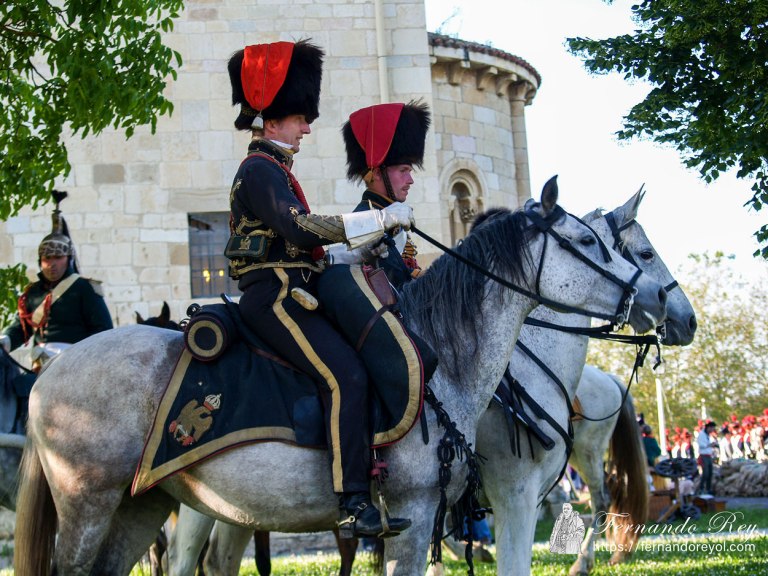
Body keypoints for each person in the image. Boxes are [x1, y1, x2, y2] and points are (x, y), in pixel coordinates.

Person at [225, 39, 413, 538]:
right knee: (345, 375)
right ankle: (352, 502)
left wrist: (359, 244)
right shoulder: (259, 170)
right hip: (274, 297)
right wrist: (372, 218)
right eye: (300, 117)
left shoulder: (277, 170)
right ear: (273, 121)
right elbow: (299, 229)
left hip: (295, 289)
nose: (307, 127)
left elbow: (305, 246)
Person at [1, 191, 113, 364]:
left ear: (68, 260)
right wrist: (6, 339)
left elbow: (103, 331)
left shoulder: (84, 288)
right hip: (39, 364)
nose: (51, 264)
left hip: (75, 363)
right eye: (47, 259)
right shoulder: (33, 292)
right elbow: (21, 329)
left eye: (57, 258)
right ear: (40, 262)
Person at [339, 101, 431, 289]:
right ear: (378, 173)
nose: (410, 180)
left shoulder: (390, 214)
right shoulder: (364, 220)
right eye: (403, 170)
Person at [697, 420, 718, 495]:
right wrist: (710, 445)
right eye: (712, 429)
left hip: (709, 456)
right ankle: (701, 488)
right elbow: (701, 445)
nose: (712, 431)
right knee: (705, 473)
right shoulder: (701, 434)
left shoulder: (708, 435)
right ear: (708, 427)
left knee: (710, 473)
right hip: (703, 456)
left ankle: (708, 489)